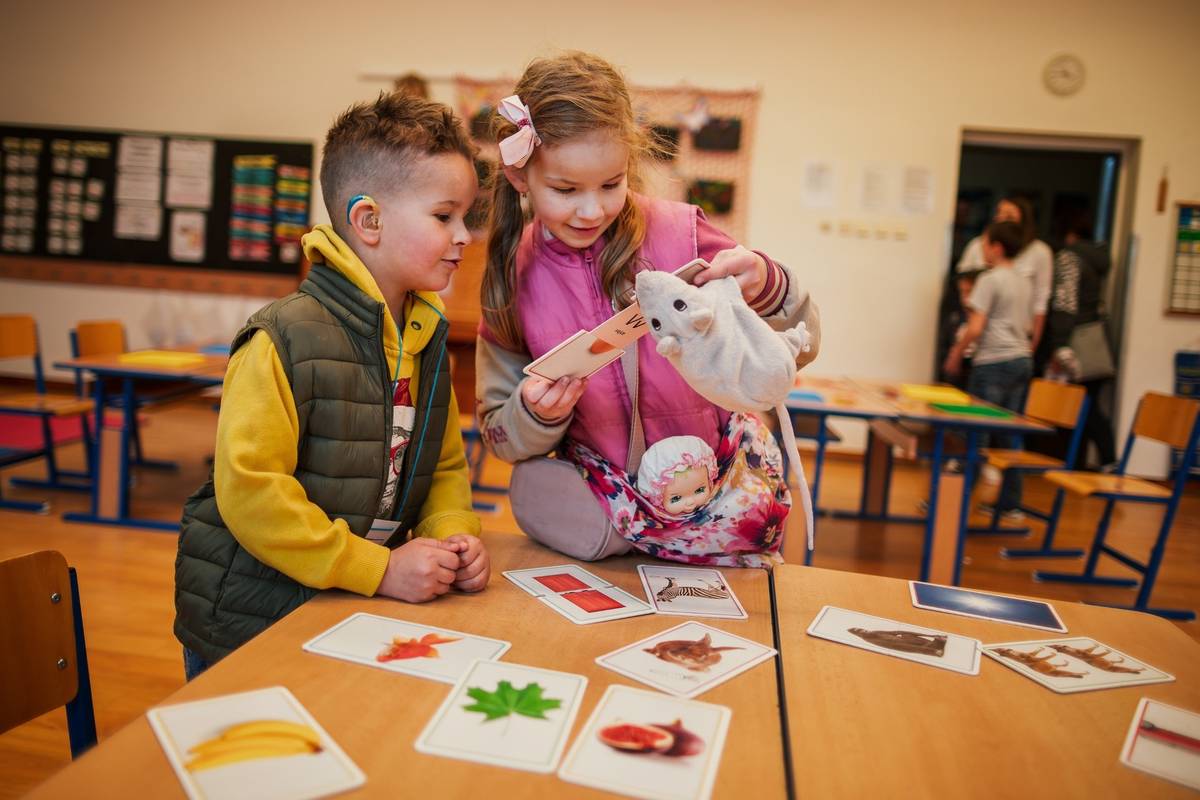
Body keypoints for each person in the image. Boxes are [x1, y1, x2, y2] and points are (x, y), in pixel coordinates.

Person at [174, 92, 490, 679]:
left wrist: (453, 536)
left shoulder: (425, 337)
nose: (464, 236)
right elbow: (252, 494)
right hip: (251, 617)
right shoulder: (282, 336)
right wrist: (378, 569)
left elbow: (443, 468)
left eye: (466, 217)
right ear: (368, 221)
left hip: (347, 608)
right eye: (445, 216)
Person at [475, 51, 820, 567]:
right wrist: (534, 413)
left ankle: (676, 532)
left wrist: (769, 288)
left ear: (629, 166)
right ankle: (637, 532)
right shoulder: (513, 272)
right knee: (534, 488)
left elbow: (800, 348)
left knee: (746, 531)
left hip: (715, 480)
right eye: (566, 190)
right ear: (521, 175)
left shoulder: (683, 231)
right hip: (606, 497)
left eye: (611, 184)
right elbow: (500, 435)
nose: (592, 210)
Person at [943, 221, 1032, 520]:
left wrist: (956, 353)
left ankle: (953, 503)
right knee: (1010, 435)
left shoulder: (991, 280)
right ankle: (1011, 504)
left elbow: (976, 326)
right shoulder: (1023, 281)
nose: (983, 249)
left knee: (974, 435)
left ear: (997, 247)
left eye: (985, 243)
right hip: (1021, 359)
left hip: (993, 361)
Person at [1044, 217, 1117, 468]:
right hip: (1096, 340)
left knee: (1081, 406)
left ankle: (1105, 460)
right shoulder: (1097, 259)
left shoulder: (1069, 258)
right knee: (1087, 405)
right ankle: (1089, 462)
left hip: (1076, 343)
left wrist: (1059, 344)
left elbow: (1064, 304)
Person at [957, 196, 1052, 353]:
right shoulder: (978, 246)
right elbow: (964, 286)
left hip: (1017, 338)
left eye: (1009, 216)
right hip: (980, 335)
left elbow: (1041, 300)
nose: (1002, 219)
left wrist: (1034, 342)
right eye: (999, 213)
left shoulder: (1039, 252)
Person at [636, 436, 717, 516]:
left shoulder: (716, 506)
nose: (690, 502)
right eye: (676, 498)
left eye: (700, 490)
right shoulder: (656, 521)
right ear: (657, 497)